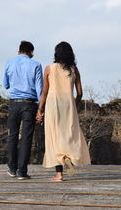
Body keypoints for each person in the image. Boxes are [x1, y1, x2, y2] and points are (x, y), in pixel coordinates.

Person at [36, 42, 91, 181]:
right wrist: (75, 105)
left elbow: (45, 92)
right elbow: (79, 93)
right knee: (69, 134)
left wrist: (40, 110)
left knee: (54, 137)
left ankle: (59, 174)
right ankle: (68, 157)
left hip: (53, 104)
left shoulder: (49, 69)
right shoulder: (74, 70)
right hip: (69, 104)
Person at [3, 41, 43, 180]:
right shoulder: (36, 65)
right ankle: (22, 171)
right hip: (29, 103)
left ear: (18, 51)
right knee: (26, 137)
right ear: (31, 52)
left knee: (12, 135)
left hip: (14, 103)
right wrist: (41, 109)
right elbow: (40, 89)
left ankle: (12, 169)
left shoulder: (9, 62)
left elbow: (5, 84)